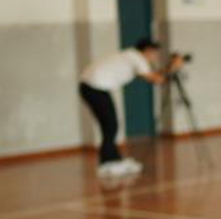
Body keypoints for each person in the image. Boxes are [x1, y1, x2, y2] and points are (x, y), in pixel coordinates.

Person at [78, 39, 182, 178]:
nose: (155, 57)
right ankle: (107, 163)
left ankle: (114, 160)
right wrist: (173, 67)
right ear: (147, 51)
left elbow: (154, 74)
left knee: (111, 124)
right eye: (154, 54)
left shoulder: (131, 55)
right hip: (95, 88)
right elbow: (156, 80)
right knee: (110, 125)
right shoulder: (137, 58)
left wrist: (168, 68)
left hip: (91, 86)